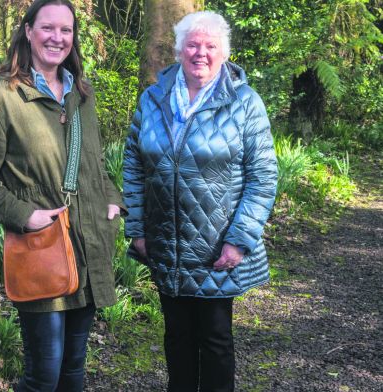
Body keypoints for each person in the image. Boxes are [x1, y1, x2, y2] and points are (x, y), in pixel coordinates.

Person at [0, 0, 123, 390]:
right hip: (41, 248)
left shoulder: (82, 95)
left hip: (89, 244)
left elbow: (94, 163)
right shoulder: (1, 96)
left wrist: (113, 199)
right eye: (48, 28)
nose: (57, 37)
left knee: (73, 371)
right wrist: (24, 215)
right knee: (43, 375)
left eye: (66, 30)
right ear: (29, 31)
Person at [122, 11, 277, 392]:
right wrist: (137, 228)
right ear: (178, 50)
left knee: (215, 339)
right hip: (166, 243)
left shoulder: (244, 101)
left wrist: (240, 239)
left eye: (210, 46)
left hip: (216, 245)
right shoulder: (153, 98)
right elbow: (133, 166)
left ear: (224, 52)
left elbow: (263, 176)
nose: (200, 53)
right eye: (192, 44)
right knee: (176, 336)